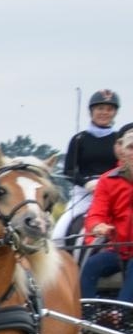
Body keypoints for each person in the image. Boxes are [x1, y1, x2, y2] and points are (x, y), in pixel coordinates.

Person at [53, 88, 122, 249]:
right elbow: (69, 170)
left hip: (113, 192)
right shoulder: (79, 139)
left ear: (114, 113)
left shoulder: (119, 140)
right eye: (100, 109)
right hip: (84, 193)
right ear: (92, 111)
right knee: (58, 235)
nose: (104, 113)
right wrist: (86, 183)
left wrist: (108, 183)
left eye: (109, 109)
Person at [78, 129, 133, 306]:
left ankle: (121, 315)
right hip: (118, 250)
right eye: (131, 147)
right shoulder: (107, 181)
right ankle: (86, 314)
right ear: (122, 152)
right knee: (91, 266)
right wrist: (97, 226)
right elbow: (95, 213)